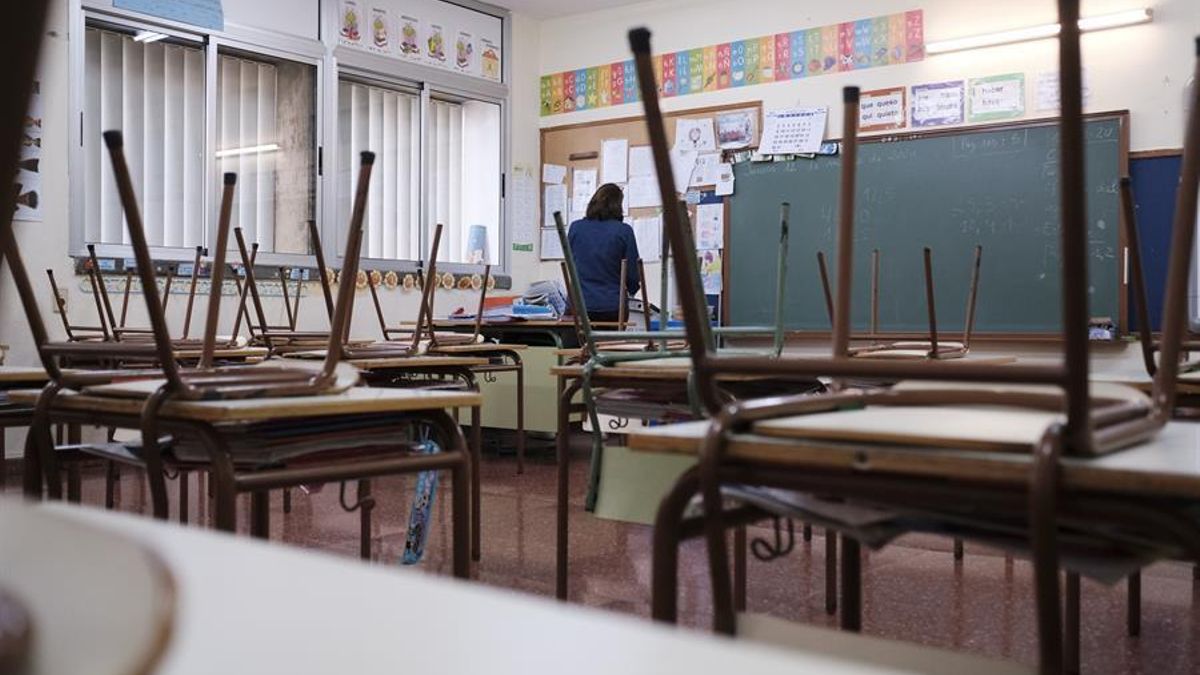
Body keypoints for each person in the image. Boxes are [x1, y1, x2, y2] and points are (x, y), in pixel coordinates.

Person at [567, 183, 640, 323]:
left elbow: (572, 264)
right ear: (618, 205)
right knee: (611, 344)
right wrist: (632, 289)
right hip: (612, 307)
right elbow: (632, 274)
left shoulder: (575, 228)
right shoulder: (623, 231)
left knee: (579, 343)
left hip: (579, 306)